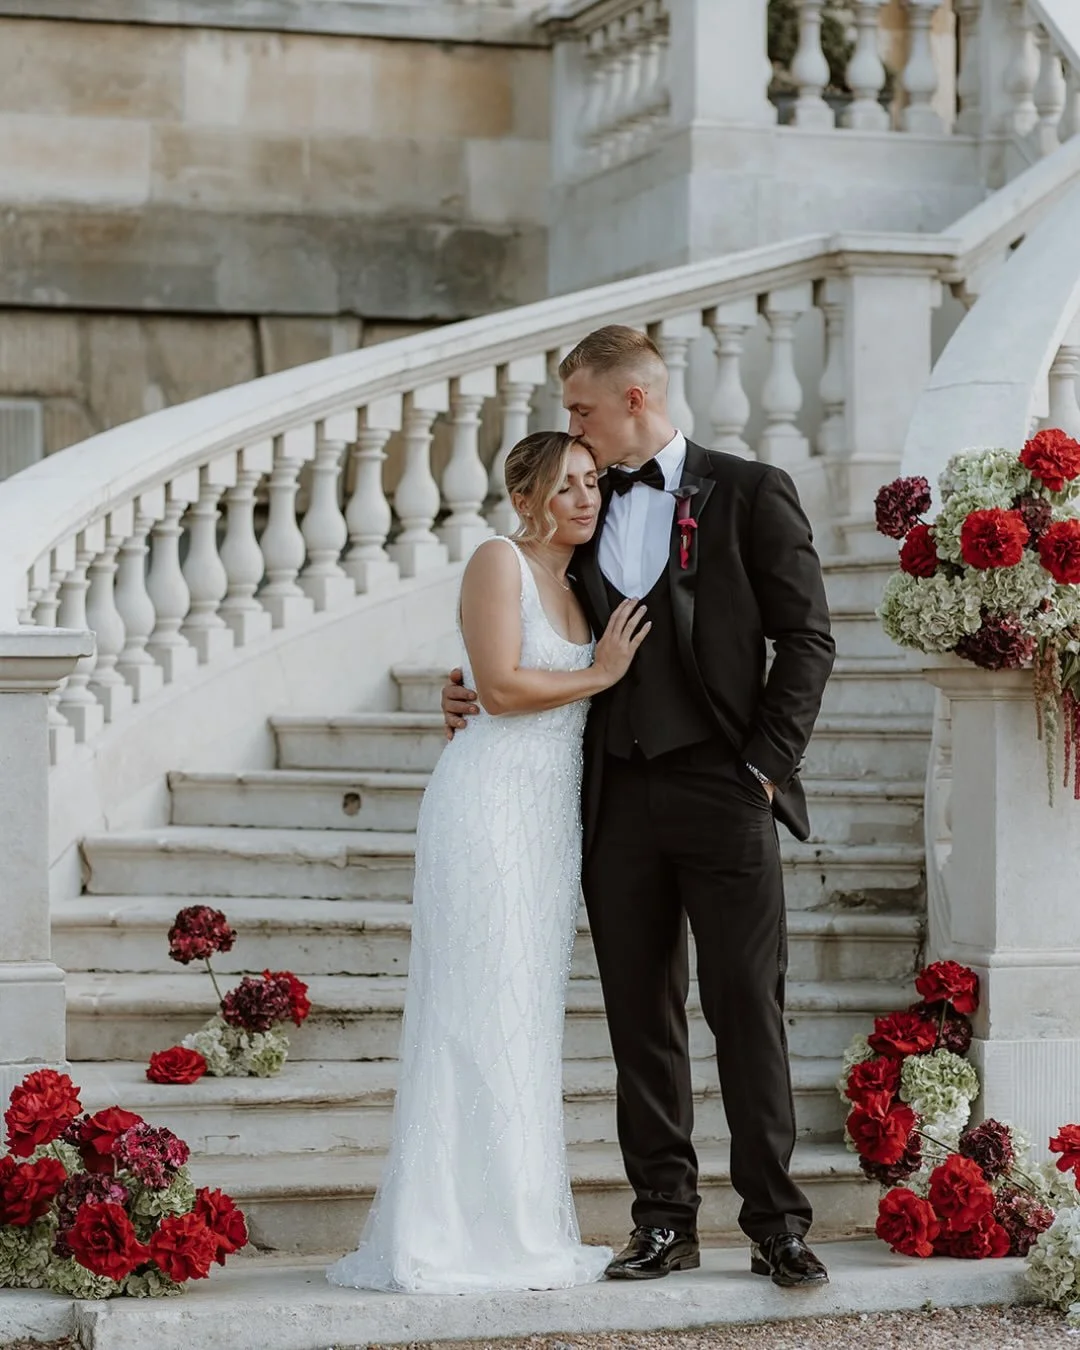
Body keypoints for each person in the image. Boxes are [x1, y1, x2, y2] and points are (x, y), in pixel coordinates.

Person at [443, 326, 836, 1287]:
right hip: (612, 792)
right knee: (639, 1020)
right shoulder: (581, 510)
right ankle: (664, 1219)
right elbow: (532, 624)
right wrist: (467, 687)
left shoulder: (746, 490)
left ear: (633, 399)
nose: (565, 426)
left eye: (579, 407)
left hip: (725, 787)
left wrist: (765, 768)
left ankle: (776, 1224)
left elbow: (809, 639)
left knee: (746, 1006)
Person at [328, 430, 650, 1294]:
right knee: (472, 1010)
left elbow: (488, 670)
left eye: (592, 483)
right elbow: (503, 690)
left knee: (522, 1018)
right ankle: (445, 1235)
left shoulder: (581, 577)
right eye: (568, 486)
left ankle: (515, 1226)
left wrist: (472, 675)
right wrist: (603, 673)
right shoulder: (496, 559)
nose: (587, 499)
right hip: (485, 810)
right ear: (527, 498)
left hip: (548, 822)